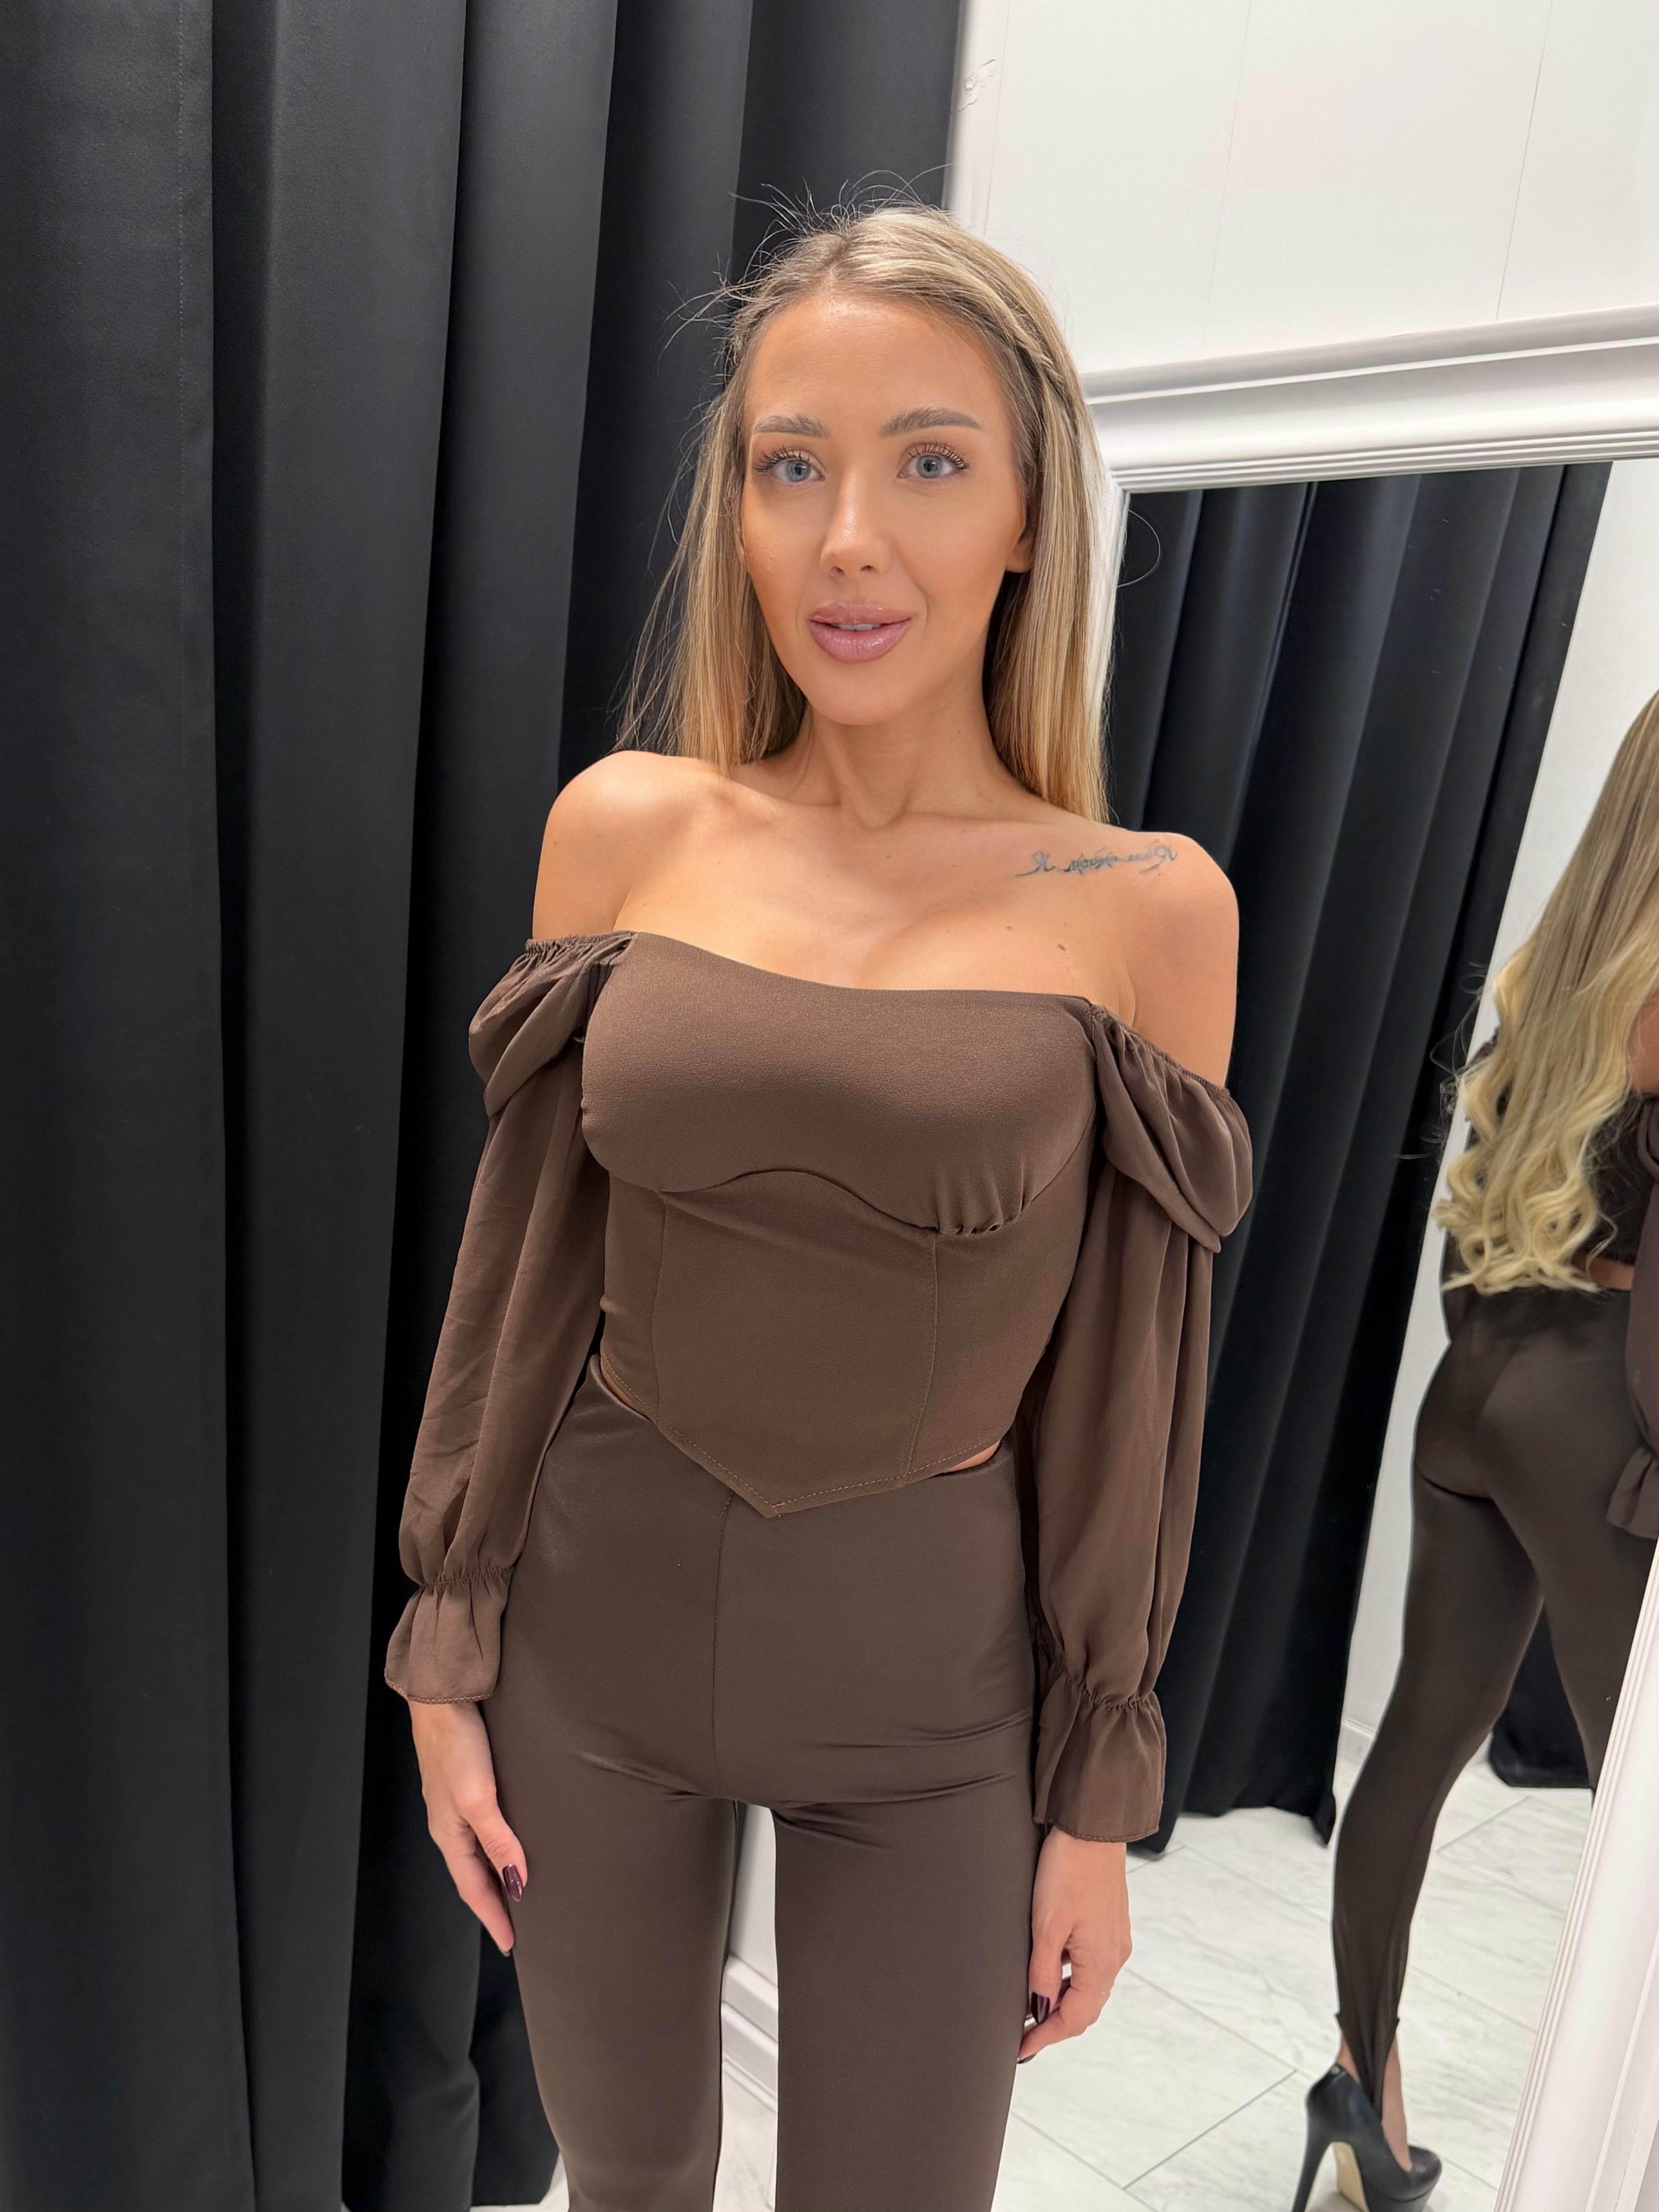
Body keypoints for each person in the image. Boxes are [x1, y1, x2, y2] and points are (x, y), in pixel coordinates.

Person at [386, 201, 1251, 2212]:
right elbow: (520, 1278)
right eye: (792, 466)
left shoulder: (1144, 907)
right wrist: (447, 1644)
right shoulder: (627, 826)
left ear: (1027, 517)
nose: (846, 539)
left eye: (927, 463)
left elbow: (1131, 1383)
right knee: (626, 2178)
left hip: (932, 1698)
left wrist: (1096, 1799)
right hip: (590, 1645)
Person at [1296, 694, 1659, 2212]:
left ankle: (1359, 2089)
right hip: (1600, 1419)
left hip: (1479, 1386)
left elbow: (1481, 1215)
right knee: (1643, 1821)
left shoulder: (1557, 971)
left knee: (1417, 1747)